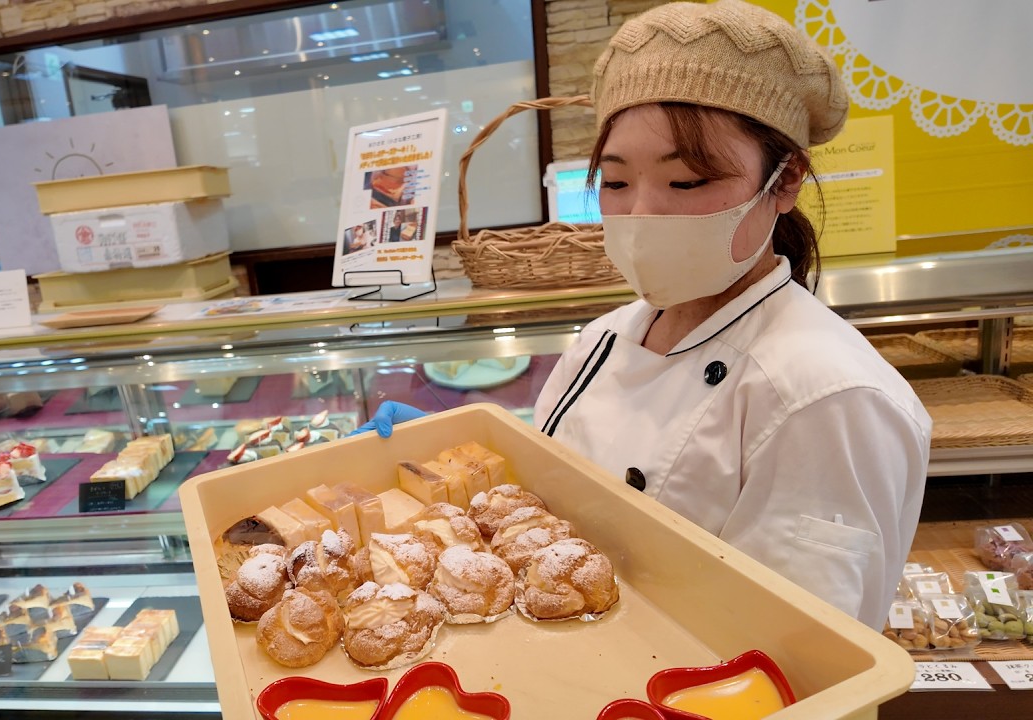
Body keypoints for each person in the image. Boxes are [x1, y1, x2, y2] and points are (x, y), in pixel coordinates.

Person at [353, 0, 931, 630]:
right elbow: (567, 502)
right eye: (616, 183)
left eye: (685, 184)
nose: (641, 215)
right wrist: (460, 449)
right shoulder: (607, 336)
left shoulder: (827, 398)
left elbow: (802, 653)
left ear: (784, 181)